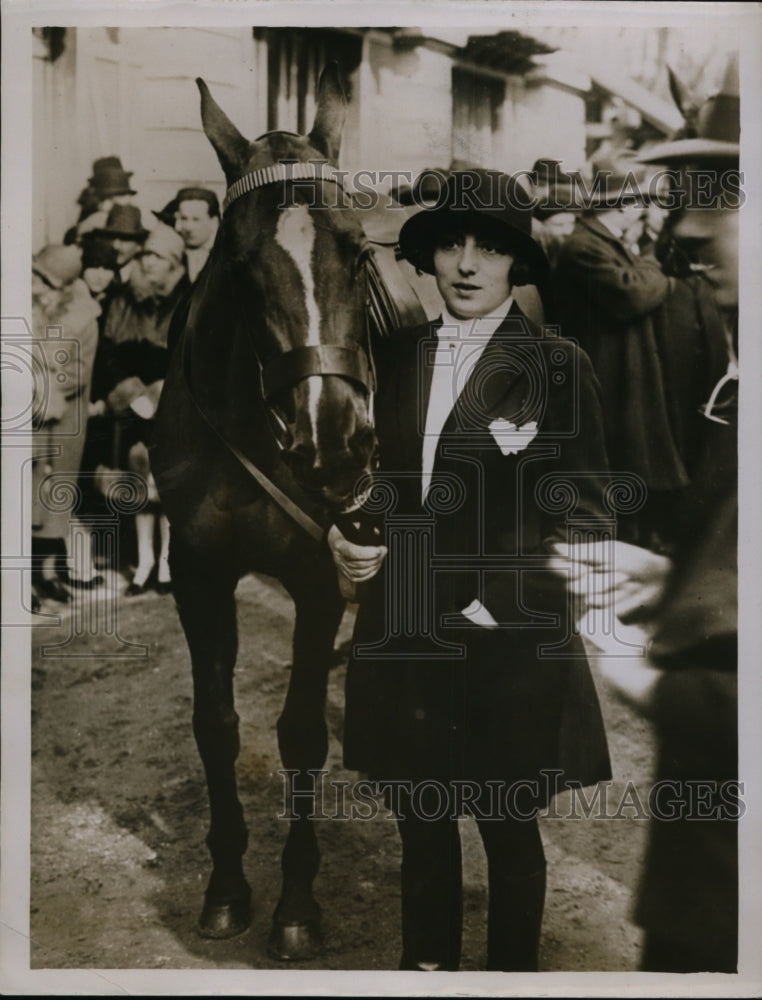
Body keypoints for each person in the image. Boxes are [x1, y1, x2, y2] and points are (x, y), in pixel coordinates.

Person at [328, 169, 613, 971]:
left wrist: (504, 604)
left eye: (489, 248)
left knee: (504, 823)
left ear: (516, 263)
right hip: (405, 622)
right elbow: (385, 480)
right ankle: (428, 974)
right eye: (451, 243)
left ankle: (511, 979)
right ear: (430, 255)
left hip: (507, 641)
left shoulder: (557, 364)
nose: (465, 263)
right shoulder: (400, 355)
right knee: (421, 819)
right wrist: (349, 538)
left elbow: (588, 513)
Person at [550, 53, 740, 973]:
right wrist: (687, 581)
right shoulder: (595, 248)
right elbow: (639, 291)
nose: (690, 229)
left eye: (727, 199)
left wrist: (660, 684)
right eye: (676, 200)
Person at [552, 161, 728, 549]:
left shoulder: (605, 243)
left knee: (629, 474)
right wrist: (654, 264)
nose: (646, 208)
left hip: (623, 381)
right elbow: (633, 293)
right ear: (623, 205)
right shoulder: (584, 246)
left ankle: (631, 546)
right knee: (616, 475)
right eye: (641, 201)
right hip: (605, 384)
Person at [94, 223, 190, 594]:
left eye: (158, 256)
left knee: (166, 489)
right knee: (136, 487)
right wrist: (131, 392)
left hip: (170, 406)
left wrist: (164, 393)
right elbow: (107, 352)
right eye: (146, 255)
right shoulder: (123, 299)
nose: (149, 262)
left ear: (173, 262)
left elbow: (189, 354)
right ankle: (143, 559)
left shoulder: (187, 298)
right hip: (132, 407)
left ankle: (166, 562)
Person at [31, 245, 104, 602]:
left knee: (50, 505)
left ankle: (44, 575)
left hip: (60, 423)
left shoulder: (83, 321)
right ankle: (22, 578)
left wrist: (39, 385)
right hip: (27, 421)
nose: (36, 287)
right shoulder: (25, 309)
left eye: (45, 282)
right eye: (35, 276)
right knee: (21, 499)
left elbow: (77, 373)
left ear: (63, 288)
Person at [64, 156, 137, 245]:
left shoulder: (129, 213)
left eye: (124, 194)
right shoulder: (94, 214)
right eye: (121, 195)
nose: (127, 199)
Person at [172, 186, 220, 282]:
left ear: (214, 222)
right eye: (184, 218)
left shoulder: (225, 257)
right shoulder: (175, 253)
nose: (189, 227)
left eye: (196, 219)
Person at [92, 204, 148, 284]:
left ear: (139, 246)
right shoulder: (103, 273)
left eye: (124, 239)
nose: (115, 246)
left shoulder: (143, 280)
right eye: (111, 237)